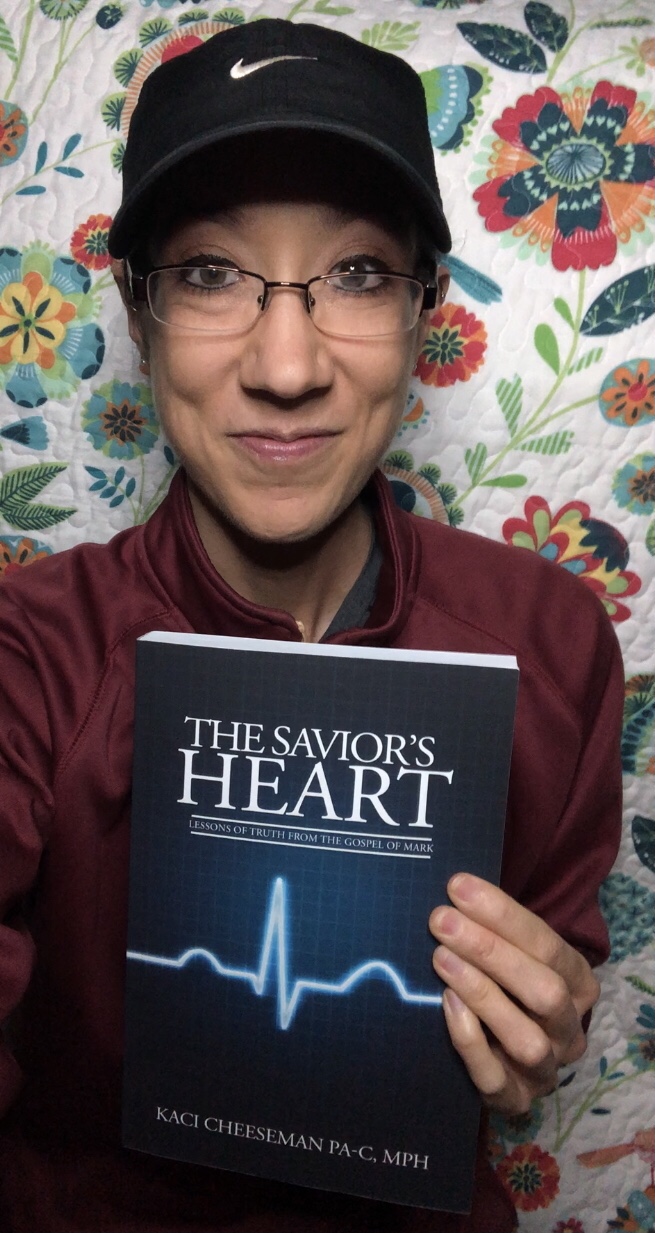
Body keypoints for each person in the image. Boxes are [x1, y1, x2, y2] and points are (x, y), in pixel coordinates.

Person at [0, 18, 623, 1233]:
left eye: (356, 276)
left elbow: (552, 988)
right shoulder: (32, 649)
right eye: (208, 274)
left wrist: (538, 1024)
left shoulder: (546, 640)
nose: (286, 368)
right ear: (137, 312)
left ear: (423, 311)